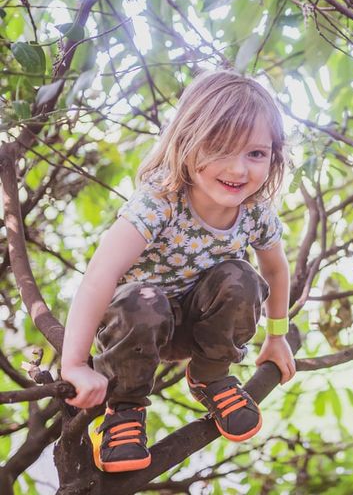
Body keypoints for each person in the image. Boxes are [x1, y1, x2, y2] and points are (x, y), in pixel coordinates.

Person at [60, 70, 297, 472]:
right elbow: (99, 274)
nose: (239, 170)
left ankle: (210, 373)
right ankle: (125, 408)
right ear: (187, 142)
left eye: (255, 154)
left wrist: (277, 337)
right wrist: (75, 365)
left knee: (242, 277)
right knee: (143, 299)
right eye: (221, 148)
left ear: (273, 155)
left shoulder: (256, 210)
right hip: (135, 330)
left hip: (197, 327)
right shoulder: (161, 201)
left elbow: (275, 271)